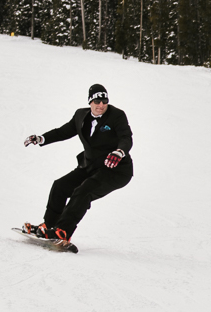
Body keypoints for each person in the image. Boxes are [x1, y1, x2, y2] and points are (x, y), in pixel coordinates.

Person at [22, 83, 133, 244]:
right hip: (90, 167)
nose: (101, 105)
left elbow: (126, 137)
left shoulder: (117, 116)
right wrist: (41, 138)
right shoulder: (81, 116)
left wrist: (119, 152)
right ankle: (49, 226)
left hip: (115, 170)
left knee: (84, 191)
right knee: (60, 186)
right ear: (90, 102)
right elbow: (64, 131)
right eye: (97, 102)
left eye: (104, 101)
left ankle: (63, 232)